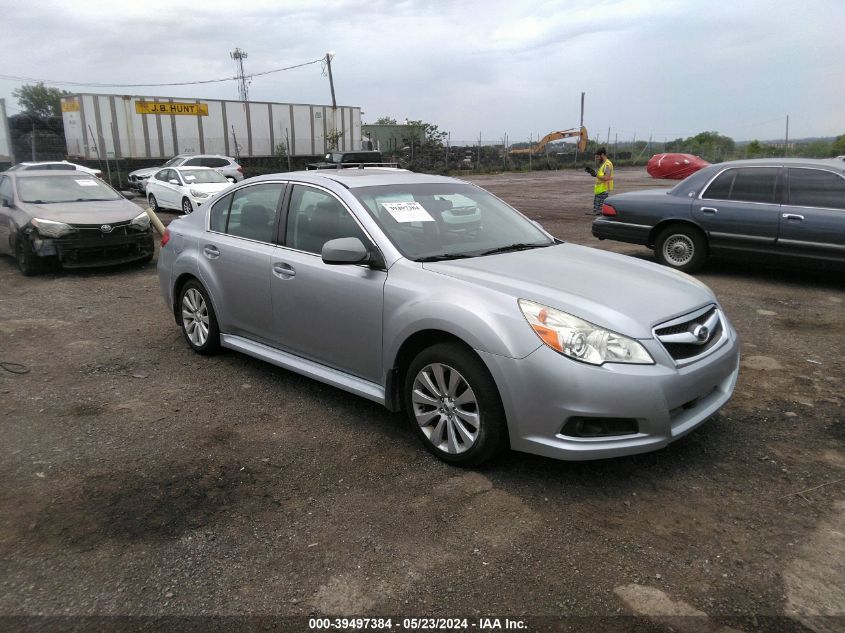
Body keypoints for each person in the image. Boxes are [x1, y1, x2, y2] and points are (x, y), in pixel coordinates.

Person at [585, 147, 614, 215]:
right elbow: (600, 176)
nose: (597, 158)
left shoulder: (607, 164)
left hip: (604, 190)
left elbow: (606, 177)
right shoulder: (603, 164)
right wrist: (594, 174)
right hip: (600, 190)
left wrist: (596, 175)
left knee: (601, 211)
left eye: (598, 156)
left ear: (603, 155)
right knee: (597, 210)